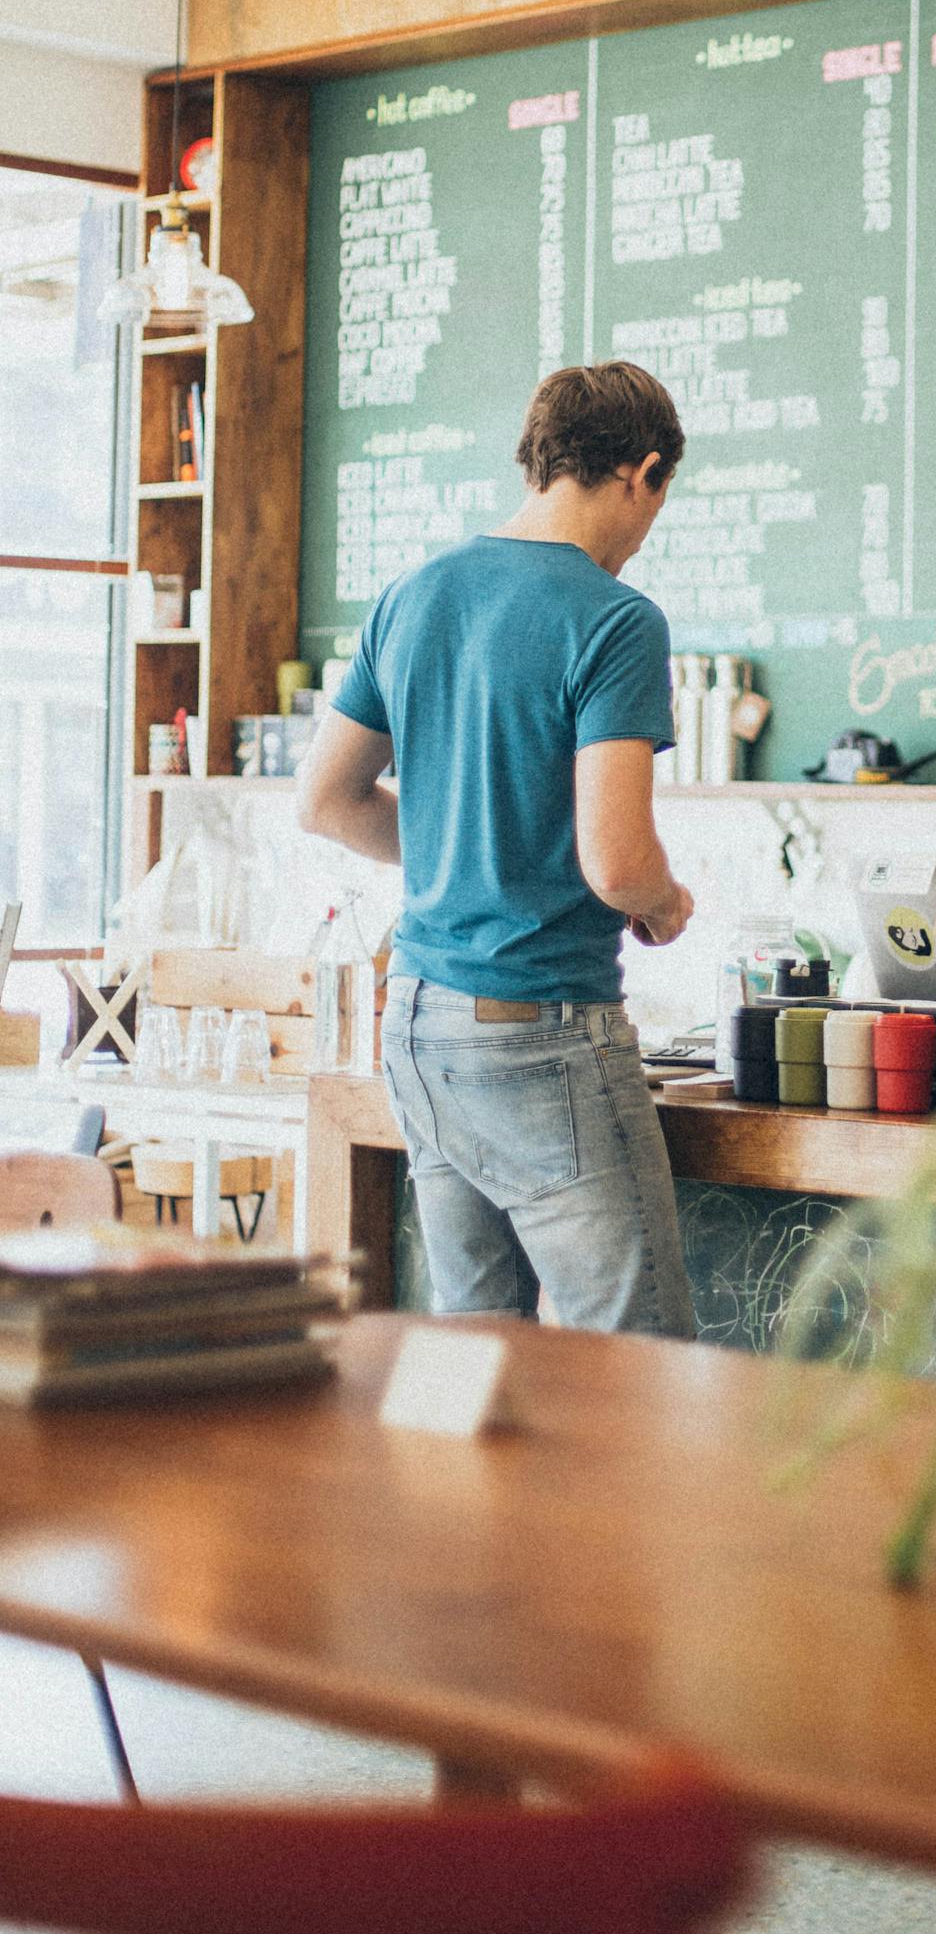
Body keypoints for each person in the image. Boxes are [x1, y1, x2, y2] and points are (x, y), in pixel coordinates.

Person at [297, 361, 698, 1334]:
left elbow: (326, 800)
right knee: (641, 1365)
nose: (647, 534)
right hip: (541, 1032)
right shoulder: (614, 619)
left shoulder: (413, 594)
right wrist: (665, 901)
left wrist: (454, 856)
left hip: (420, 1025)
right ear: (642, 472)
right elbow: (616, 861)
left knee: (479, 1362)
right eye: (658, 500)